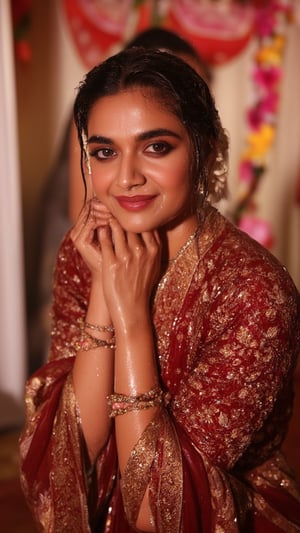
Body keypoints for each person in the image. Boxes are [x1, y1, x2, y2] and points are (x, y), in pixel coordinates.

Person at [19, 48, 300, 532]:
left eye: (156, 147)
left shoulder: (255, 290)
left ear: (205, 148)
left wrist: (131, 321)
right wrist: (106, 289)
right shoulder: (83, 252)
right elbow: (71, 457)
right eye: (105, 152)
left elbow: (158, 510)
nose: (126, 178)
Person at [31, 28, 212, 368]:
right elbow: (85, 209)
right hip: (89, 238)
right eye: (105, 152)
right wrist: (109, 279)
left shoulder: (246, 286)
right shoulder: (97, 113)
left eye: (157, 148)